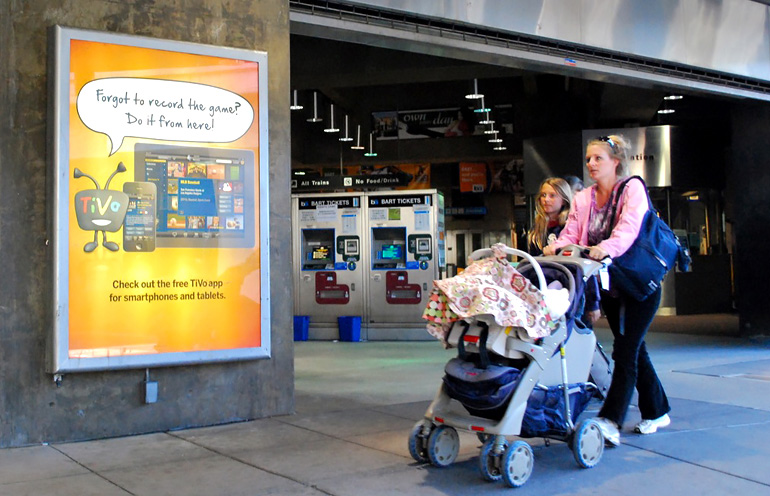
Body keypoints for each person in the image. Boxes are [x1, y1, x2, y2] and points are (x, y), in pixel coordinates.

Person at [543, 135, 671, 446]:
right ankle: (657, 410)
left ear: (616, 162)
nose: (591, 164)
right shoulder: (585, 198)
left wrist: (605, 249)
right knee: (634, 348)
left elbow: (628, 228)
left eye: (598, 158)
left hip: (640, 286)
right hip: (613, 286)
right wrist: (557, 247)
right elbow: (571, 232)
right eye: (588, 159)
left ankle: (611, 420)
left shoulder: (632, 189)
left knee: (625, 351)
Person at [528, 178, 601, 327]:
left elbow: (586, 265)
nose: (546, 200)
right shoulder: (536, 230)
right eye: (543, 195)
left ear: (564, 199)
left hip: (574, 292)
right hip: (544, 294)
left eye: (552, 195)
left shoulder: (572, 228)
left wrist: (594, 303)